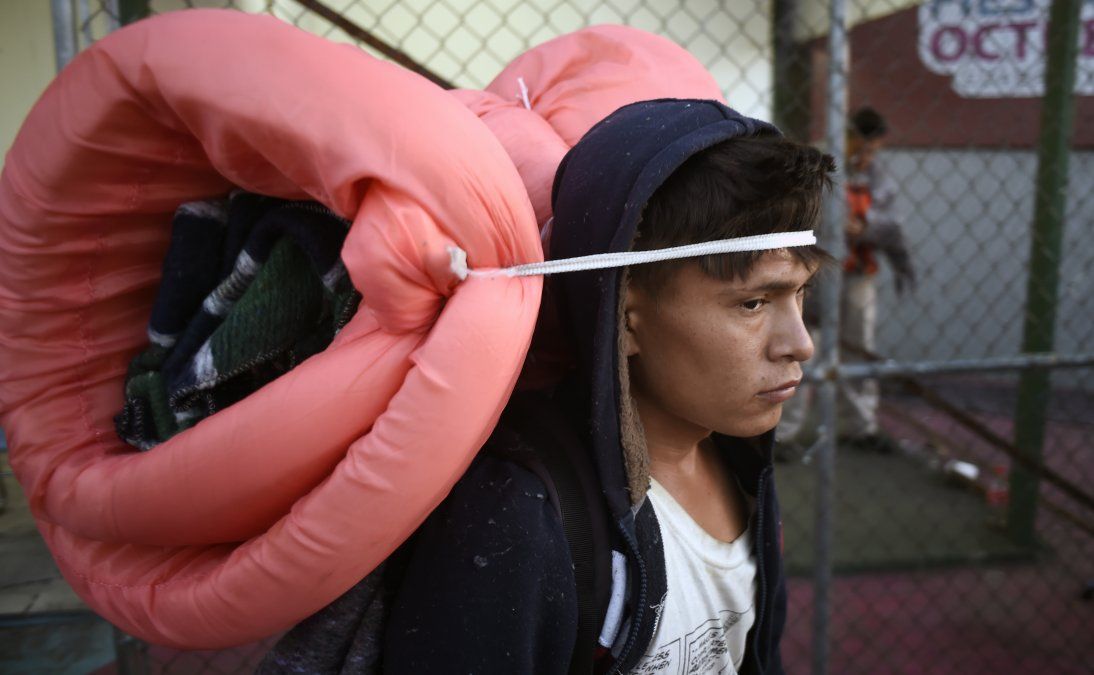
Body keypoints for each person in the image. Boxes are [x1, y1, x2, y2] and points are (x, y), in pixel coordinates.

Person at [261, 99, 833, 674]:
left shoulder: (740, 465)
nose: (799, 343)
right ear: (626, 314)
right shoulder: (522, 519)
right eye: (754, 303)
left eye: (800, 294)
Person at [839, 106, 914, 449]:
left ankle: (861, 428)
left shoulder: (877, 177)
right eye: (862, 147)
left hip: (857, 273)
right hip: (816, 276)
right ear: (849, 138)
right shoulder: (826, 164)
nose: (867, 156)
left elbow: (891, 225)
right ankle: (785, 432)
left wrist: (864, 228)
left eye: (873, 150)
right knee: (803, 351)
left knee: (861, 350)